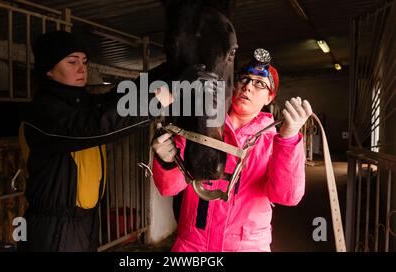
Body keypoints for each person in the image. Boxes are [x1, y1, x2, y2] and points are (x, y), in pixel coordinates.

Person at [17, 31, 174, 252]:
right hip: (53, 229)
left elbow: (120, 95)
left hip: (86, 222)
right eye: (72, 62)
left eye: (84, 61)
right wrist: (152, 103)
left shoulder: (81, 104)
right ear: (49, 71)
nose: (82, 68)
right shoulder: (43, 113)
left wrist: (172, 67)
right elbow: (96, 125)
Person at [151, 48, 312, 252]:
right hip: (193, 246)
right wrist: (166, 160)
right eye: (243, 79)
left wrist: (289, 138)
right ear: (233, 85)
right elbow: (169, 188)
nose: (248, 87)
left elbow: (286, 196)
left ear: (270, 97)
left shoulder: (274, 143)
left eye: (259, 84)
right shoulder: (201, 128)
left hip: (247, 247)